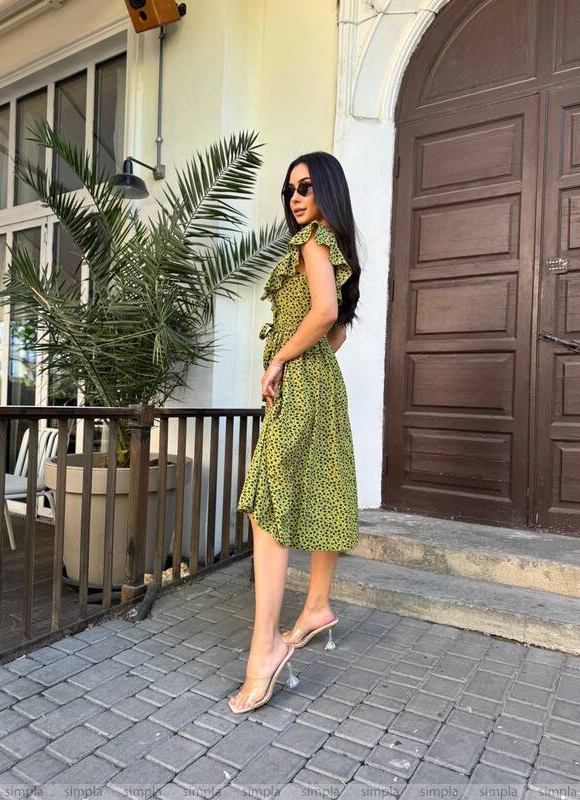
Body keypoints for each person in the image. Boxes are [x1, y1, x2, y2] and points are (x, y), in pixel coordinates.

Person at [229, 151, 362, 714]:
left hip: (302, 384)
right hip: (322, 382)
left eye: (306, 186)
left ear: (328, 189)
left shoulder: (312, 244)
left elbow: (325, 312)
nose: (296, 197)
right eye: (289, 190)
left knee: (270, 506)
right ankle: (316, 607)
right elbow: (337, 331)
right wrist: (309, 362)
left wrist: (280, 359)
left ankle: (264, 649)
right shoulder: (332, 247)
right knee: (322, 489)